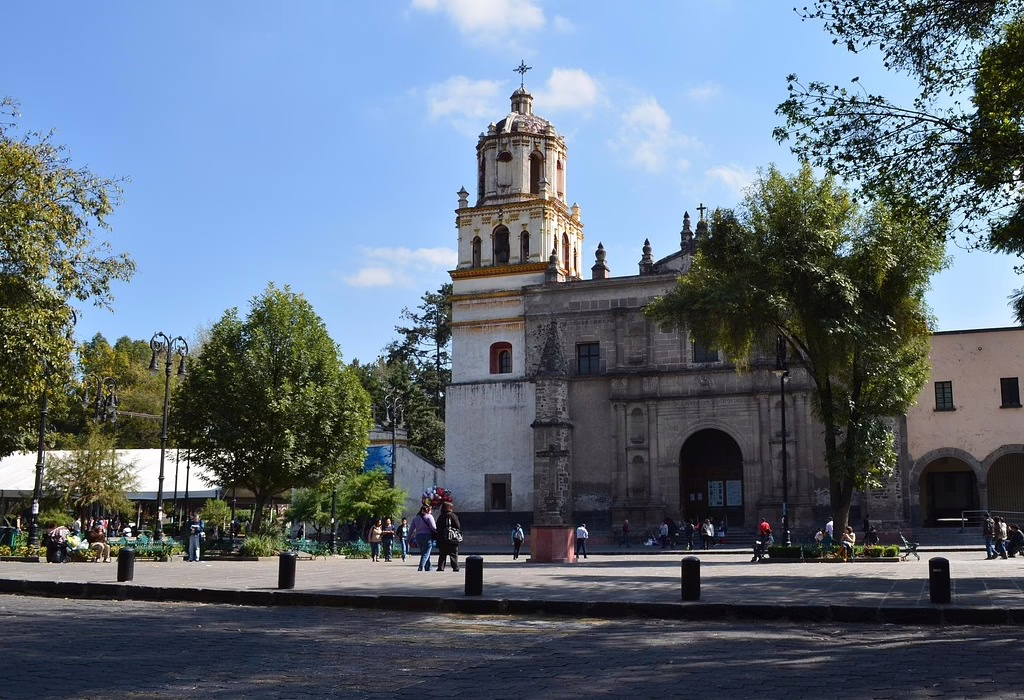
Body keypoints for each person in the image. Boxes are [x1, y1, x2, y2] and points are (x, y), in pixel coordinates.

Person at [434, 502, 461, 572]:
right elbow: (458, 526)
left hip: (442, 539)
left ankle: (441, 567)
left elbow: (437, 527)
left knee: (442, 554)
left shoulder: (440, 516)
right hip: (452, 539)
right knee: (453, 554)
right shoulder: (453, 516)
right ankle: (455, 567)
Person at [409, 505, 436, 571]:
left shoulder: (416, 518)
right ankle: (420, 567)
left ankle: (429, 567)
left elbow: (411, 530)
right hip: (427, 536)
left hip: (418, 537)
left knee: (425, 553)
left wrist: (408, 539)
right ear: (428, 510)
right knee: (425, 553)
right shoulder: (429, 516)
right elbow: (433, 527)